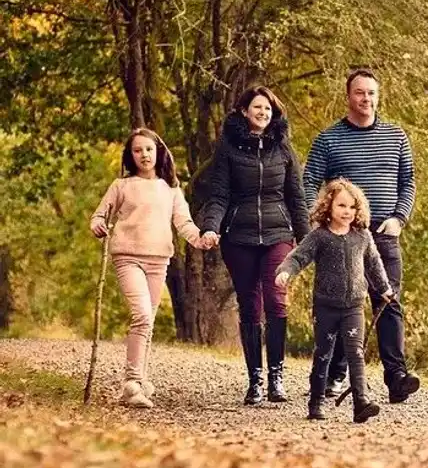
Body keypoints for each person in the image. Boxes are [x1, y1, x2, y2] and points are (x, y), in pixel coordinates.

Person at [303, 68, 420, 404]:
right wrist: (318, 223)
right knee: (344, 304)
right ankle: (335, 374)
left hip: (384, 233)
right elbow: (310, 181)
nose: (366, 99)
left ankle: (396, 376)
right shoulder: (329, 139)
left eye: (371, 93)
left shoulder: (396, 136)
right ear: (348, 96)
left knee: (388, 300)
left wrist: (399, 217)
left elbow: (407, 182)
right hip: (344, 238)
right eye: (360, 93)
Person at [199, 86, 311, 406]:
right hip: (239, 237)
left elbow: (296, 197)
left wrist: (305, 238)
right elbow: (218, 195)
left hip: (278, 234)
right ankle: (256, 380)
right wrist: (211, 227)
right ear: (245, 111)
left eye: (268, 109)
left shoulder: (284, 148)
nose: (262, 113)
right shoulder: (228, 148)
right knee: (250, 305)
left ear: (273, 114)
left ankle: (276, 376)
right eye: (257, 107)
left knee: (276, 300)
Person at [90, 128, 217, 408]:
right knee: (142, 315)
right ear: (130, 155)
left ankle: (140, 379)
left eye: (149, 149)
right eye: (137, 150)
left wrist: (202, 238)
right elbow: (99, 215)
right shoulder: (121, 186)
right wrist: (97, 225)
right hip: (128, 257)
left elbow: (184, 224)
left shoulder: (170, 190)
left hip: (159, 260)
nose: (144, 155)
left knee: (147, 323)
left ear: (158, 152)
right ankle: (132, 383)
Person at [276, 178, 393, 423]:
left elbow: (373, 263)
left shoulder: (362, 236)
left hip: (353, 306)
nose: (347, 212)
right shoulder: (319, 236)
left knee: (356, 353)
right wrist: (285, 271)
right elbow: (298, 257)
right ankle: (316, 401)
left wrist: (384, 288)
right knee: (323, 354)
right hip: (326, 307)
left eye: (352, 207)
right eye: (341, 206)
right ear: (328, 206)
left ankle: (361, 401)